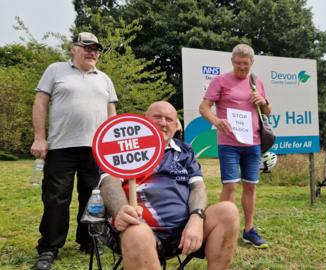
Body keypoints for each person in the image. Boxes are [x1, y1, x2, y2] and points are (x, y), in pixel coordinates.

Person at [100, 101, 239, 270]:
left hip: (184, 230)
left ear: (176, 126)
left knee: (228, 211)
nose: (163, 123)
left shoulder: (185, 151)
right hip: (139, 230)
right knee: (137, 234)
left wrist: (196, 217)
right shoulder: (126, 148)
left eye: (168, 119)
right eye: (157, 117)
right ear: (144, 120)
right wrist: (120, 209)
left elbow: (198, 188)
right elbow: (109, 183)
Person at [30, 32, 118, 270]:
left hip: (96, 149)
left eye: (96, 49)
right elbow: (40, 102)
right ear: (73, 48)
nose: (92, 52)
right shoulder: (55, 70)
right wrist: (40, 137)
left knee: (93, 198)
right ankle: (49, 247)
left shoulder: (104, 79)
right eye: (87, 47)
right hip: (61, 146)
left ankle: (89, 241)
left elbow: (112, 114)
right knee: (56, 198)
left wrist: (111, 145)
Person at [198, 44, 271, 249]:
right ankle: (220, 231)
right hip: (229, 143)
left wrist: (263, 101)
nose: (241, 68)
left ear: (252, 63)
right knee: (230, 186)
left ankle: (249, 231)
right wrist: (217, 121)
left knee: (250, 186)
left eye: (245, 65)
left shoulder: (257, 82)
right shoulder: (220, 81)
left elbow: (267, 112)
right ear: (232, 62)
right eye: (238, 64)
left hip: (253, 143)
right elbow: (203, 107)